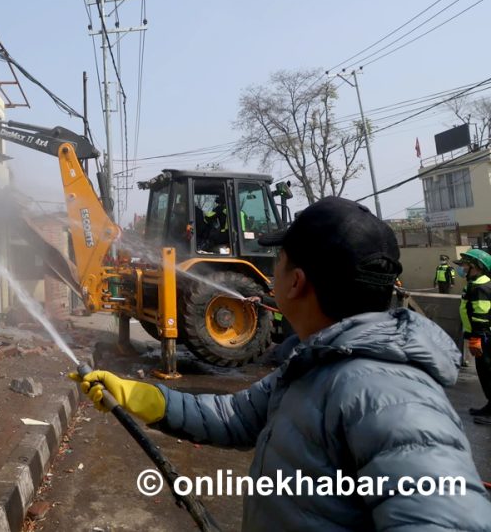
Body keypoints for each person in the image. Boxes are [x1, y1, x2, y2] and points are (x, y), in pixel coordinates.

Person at [73, 196, 491, 530]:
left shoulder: (390, 396)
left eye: (281, 259)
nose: (272, 271)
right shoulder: (318, 365)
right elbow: (237, 415)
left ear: (295, 281)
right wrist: (143, 397)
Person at [455, 249, 491, 422]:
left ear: (475, 267)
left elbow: (481, 315)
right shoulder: (474, 283)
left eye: (464, 265)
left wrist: (477, 337)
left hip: (485, 337)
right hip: (481, 336)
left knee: (488, 373)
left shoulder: (481, 287)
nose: (461, 268)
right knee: (484, 373)